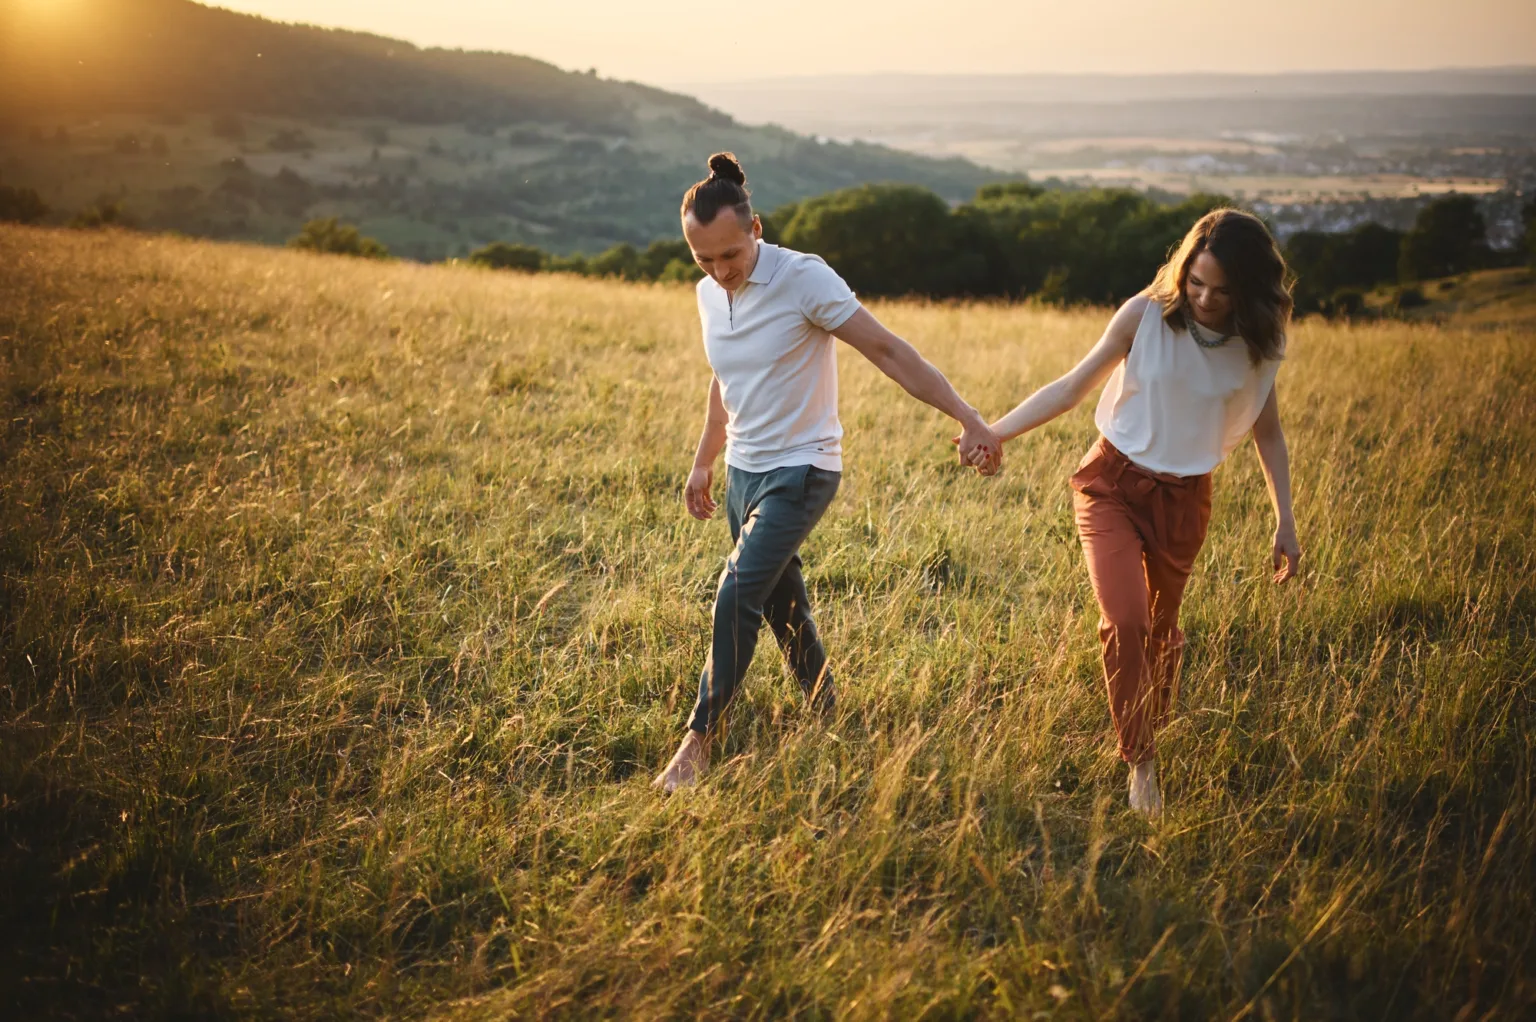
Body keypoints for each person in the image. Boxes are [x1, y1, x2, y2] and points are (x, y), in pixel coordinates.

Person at [653, 152, 1000, 793]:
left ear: (755, 231)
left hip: (803, 467)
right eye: (704, 260)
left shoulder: (803, 278)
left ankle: (700, 739)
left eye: (731, 254)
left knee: (736, 594)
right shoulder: (708, 294)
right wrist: (705, 459)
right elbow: (726, 378)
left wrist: (968, 416)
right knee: (780, 601)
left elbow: (888, 350)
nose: (720, 271)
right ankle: (826, 707)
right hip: (742, 471)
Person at [988, 208, 1301, 817]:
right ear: (1182, 269)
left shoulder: (1258, 344)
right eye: (1196, 281)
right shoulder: (1144, 317)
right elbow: (1071, 387)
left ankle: (1150, 715)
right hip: (1111, 483)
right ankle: (1142, 762)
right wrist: (993, 432)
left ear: (1249, 290)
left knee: (1160, 630)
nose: (1205, 298)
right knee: (1126, 619)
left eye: (1223, 289)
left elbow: (1270, 435)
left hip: (1185, 500)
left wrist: (1284, 520)